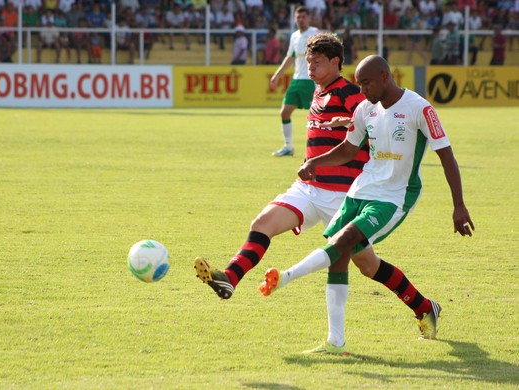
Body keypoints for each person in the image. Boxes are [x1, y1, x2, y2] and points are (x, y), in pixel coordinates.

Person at [260, 55, 474, 347]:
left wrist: (458, 205)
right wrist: (316, 162)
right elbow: (349, 149)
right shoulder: (365, 109)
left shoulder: (419, 108)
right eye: (359, 83)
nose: (362, 90)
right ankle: (412, 312)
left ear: (385, 76)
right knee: (358, 261)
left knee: (342, 242)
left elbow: (446, 155)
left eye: (366, 83)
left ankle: (285, 278)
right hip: (360, 190)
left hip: (395, 195)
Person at [195, 32, 371, 355]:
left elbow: (373, 129)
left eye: (317, 63)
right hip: (307, 188)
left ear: (335, 62)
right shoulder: (317, 93)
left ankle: (422, 305)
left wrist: (348, 122)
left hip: (342, 196)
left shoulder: (351, 94)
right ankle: (230, 278)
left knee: (367, 265)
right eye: (308, 62)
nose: (311, 68)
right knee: (263, 222)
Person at [270, 6, 320, 157]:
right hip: (297, 80)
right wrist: (277, 74)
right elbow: (290, 57)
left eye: (303, 17)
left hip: (311, 81)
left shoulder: (315, 33)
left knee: (317, 117)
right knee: (284, 112)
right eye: (298, 17)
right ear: (294, 19)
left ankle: (318, 149)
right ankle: (288, 146)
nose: (301, 19)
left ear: (308, 18)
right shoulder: (294, 36)